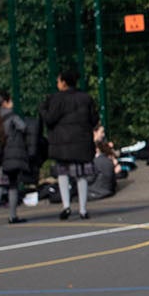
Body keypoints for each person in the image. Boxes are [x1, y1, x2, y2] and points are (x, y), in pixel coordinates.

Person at [39, 71, 99, 220]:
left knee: (63, 174)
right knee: (81, 175)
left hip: (62, 144)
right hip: (82, 143)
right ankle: (83, 209)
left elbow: (50, 119)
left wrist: (43, 109)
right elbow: (94, 119)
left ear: (64, 83)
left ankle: (66, 206)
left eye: (58, 81)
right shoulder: (86, 98)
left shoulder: (56, 99)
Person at [0, 94, 35, 225]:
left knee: (0, 185)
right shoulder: (12, 117)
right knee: (12, 185)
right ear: (5, 103)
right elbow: (23, 127)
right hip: (11, 156)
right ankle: (13, 215)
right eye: (10, 100)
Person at [87, 126, 124, 201]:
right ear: (95, 132)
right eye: (102, 132)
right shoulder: (102, 149)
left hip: (97, 189)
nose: (103, 135)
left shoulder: (97, 156)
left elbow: (89, 178)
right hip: (107, 187)